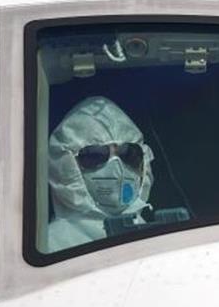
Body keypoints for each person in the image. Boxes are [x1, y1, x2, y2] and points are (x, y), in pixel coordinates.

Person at [46, 96, 155, 252]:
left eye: (128, 154)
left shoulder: (159, 238)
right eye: (95, 155)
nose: (117, 167)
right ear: (64, 165)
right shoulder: (49, 248)